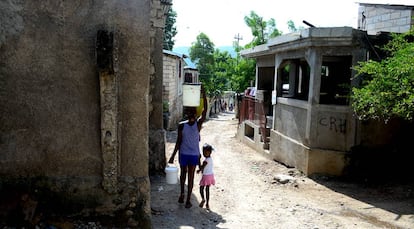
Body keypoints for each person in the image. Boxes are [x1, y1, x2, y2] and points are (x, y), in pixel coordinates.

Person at [168, 85, 207, 208]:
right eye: (189, 113)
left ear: (195, 115)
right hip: (184, 153)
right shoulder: (181, 125)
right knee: (183, 175)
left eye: (193, 113)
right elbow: (178, 142)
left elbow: (205, 110)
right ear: (187, 114)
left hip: (193, 155)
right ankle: (182, 194)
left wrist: (204, 95)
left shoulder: (198, 124)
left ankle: (188, 198)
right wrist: (172, 156)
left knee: (190, 177)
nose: (191, 115)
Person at [197, 143, 215, 210]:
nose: (204, 153)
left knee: (201, 188)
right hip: (210, 176)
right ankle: (207, 203)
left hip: (206, 176)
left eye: (205, 152)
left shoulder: (205, 161)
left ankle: (203, 199)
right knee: (207, 190)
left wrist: (198, 161)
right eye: (203, 152)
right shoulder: (210, 159)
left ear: (210, 152)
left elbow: (202, 167)